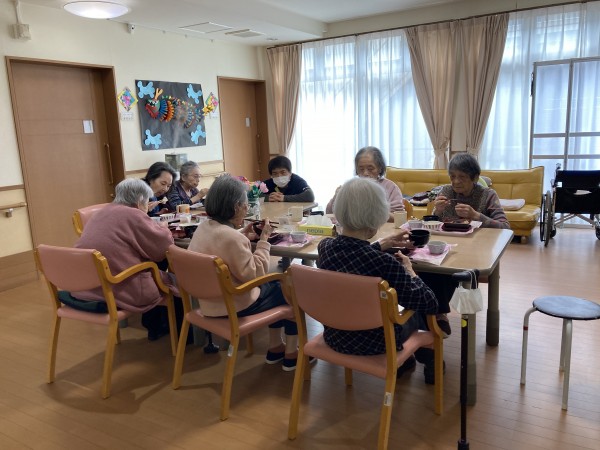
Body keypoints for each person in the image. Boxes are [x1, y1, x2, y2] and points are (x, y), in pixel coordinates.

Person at [318, 177, 440, 384]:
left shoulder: (325, 248)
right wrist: (411, 271)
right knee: (416, 307)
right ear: (376, 219)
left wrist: (382, 244)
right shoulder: (385, 263)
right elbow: (429, 303)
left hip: (335, 336)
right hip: (378, 342)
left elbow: (354, 256)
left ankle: (407, 362)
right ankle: (429, 361)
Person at [188, 174, 304, 371]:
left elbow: (221, 241)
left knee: (276, 287)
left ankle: (276, 347)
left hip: (208, 304)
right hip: (233, 306)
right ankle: (290, 354)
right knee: (288, 290)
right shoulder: (232, 239)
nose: (246, 209)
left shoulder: (203, 228)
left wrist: (242, 234)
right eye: (245, 205)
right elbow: (256, 275)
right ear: (236, 207)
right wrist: (264, 240)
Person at [72, 178, 179, 340]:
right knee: (177, 280)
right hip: (119, 286)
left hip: (89, 284)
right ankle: (181, 333)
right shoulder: (133, 214)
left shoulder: (102, 212)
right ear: (140, 200)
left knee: (153, 265)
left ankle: (156, 324)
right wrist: (163, 228)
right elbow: (161, 247)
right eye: (146, 202)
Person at [422, 152, 510, 336]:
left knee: (445, 271)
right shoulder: (446, 191)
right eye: (452, 176)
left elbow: (505, 227)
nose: (456, 182)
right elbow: (432, 224)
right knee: (426, 268)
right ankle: (434, 315)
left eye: (462, 177)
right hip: (447, 249)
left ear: (475, 178)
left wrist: (477, 216)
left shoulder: (487, 195)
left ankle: (437, 314)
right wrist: (436, 212)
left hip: (476, 252)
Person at [326, 146, 405, 221]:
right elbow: (329, 213)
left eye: (370, 169)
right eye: (361, 169)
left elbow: (399, 218)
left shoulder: (390, 187)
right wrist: (336, 198)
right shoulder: (351, 187)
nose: (365, 173)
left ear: (380, 168)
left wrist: (374, 209)